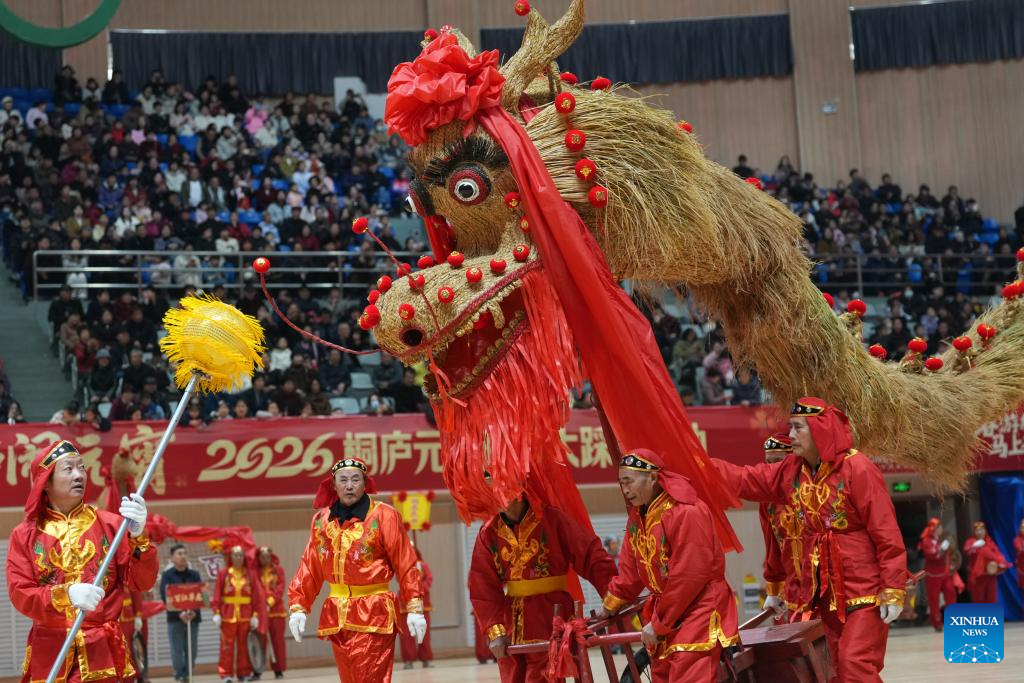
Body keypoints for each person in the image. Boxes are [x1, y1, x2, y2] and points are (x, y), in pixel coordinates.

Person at [713, 398, 908, 683]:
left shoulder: (857, 468)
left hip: (864, 590)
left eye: (797, 428)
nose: (791, 435)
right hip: (823, 592)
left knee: (854, 663)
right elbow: (747, 479)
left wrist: (893, 588)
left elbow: (886, 533)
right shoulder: (793, 469)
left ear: (820, 429)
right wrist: (697, 465)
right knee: (834, 669)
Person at [7, 439, 157, 682]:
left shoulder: (111, 525)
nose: (79, 475)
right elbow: (20, 594)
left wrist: (139, 537)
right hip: (51, 652)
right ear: (46, 482)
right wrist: (65, 594)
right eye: (68, 469)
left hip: (103, 652)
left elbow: (143, 582)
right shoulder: (25, 535)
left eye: (81, 467)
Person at [599, 449, 737, 682]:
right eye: (621, 483)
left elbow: (688, 576)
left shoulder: (686, 511)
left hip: (698, 610)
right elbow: (631, 571)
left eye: (629, 481)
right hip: (667, 611)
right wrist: (610, 604)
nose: (625, 489)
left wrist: (659, 623)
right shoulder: (639, 516)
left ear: (653, 477)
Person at [288, 457, 425, 683]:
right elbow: (310, 565)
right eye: (343, 480)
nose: (349, 485)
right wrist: (298, 606)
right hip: (337, 615)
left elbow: (405, 562)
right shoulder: (322, 520)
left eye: (355, 479)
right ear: (334, 485)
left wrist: (414, 607)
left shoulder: (384, 515)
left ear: (365, 483)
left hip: (373, 612)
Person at [469, 484, 617, 683]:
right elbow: (482, 586)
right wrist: (496, 631)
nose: (495, 495)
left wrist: (613, 595)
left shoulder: (552, 519)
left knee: (546, 674)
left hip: (551, 614)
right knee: (512, 676)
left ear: (518, 489)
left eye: (500, 488)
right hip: (512, 621)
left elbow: (590, 555)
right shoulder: (488, 532)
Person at [212, 545, 266, 683]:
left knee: (244, 647)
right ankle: (226, 674)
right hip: (227, 615)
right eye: (235, 555)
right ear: (231, 557)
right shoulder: (223, 574)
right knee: (226, 646)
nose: (238, 558)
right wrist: (216, 612)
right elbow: (217, 594)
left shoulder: (250, 575)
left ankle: (244, 673)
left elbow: (256, 597)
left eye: (241, 555)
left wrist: (255, 616)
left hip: (246, 615)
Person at [758, 434, 797, 620]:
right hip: (795, 587)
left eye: (778, 461)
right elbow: (772, 546)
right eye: (769, 462)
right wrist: (773, 589)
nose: (772, 468)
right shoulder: (768, 499)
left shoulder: (813, 487)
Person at [160, 544, 202, 683]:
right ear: (172, 558)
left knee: (192, 649)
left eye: (184, 553)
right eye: (179, 553)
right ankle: (179, 674)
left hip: (193, 617)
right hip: (175, 618)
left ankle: (188, 674)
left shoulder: (194, 575)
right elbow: (165, 596)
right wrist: (180, 614)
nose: (183, 556)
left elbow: (201, 595)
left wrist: (193, 612)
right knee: (176, 649)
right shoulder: (167, 576)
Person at [918, 517, 958, 631]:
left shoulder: (941, 540)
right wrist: (941, 548)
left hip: (945, 574)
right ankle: (937, 623)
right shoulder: (926, 541)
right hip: (933, 575)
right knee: (934, 600)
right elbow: (932, 555)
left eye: (941, 527)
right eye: (939, 527)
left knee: (951, 595)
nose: (941, 529)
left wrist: (951, 563)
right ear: (933, 529)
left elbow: (950, 555)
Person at [398, 546, 434, 669]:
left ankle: (426, 659)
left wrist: (419, 588)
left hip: (422, 604)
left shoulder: (423, 566)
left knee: (423, 632)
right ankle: (408, 660)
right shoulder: (401, 566)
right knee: (406, 634)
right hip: (406, 604)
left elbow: (429, 579)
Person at [257, 546, 288, 679]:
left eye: (267, 556)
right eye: (262, 557)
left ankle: (278, 669)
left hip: (277, 611)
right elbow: (255, 588)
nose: (265, 559)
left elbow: (281, 587)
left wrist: (270, 601)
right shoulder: (256, 572)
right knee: (260, 642)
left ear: (271, 557)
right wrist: (262, 602)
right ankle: (258, 669)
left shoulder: (278, 570)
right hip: (261, 611)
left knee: (277, 642)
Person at [963, 521, 1010, 603]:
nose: (979, 532)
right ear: (974, 532)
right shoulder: (971, 541)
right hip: (978, 577)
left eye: (981, 530)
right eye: (977, 530)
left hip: (990, 576)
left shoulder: (990, 542)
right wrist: (974, 546)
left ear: (985, 531)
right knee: (978, 600)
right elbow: (967, 550)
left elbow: (998, 555)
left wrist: (1001, 564)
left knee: (992, 599)